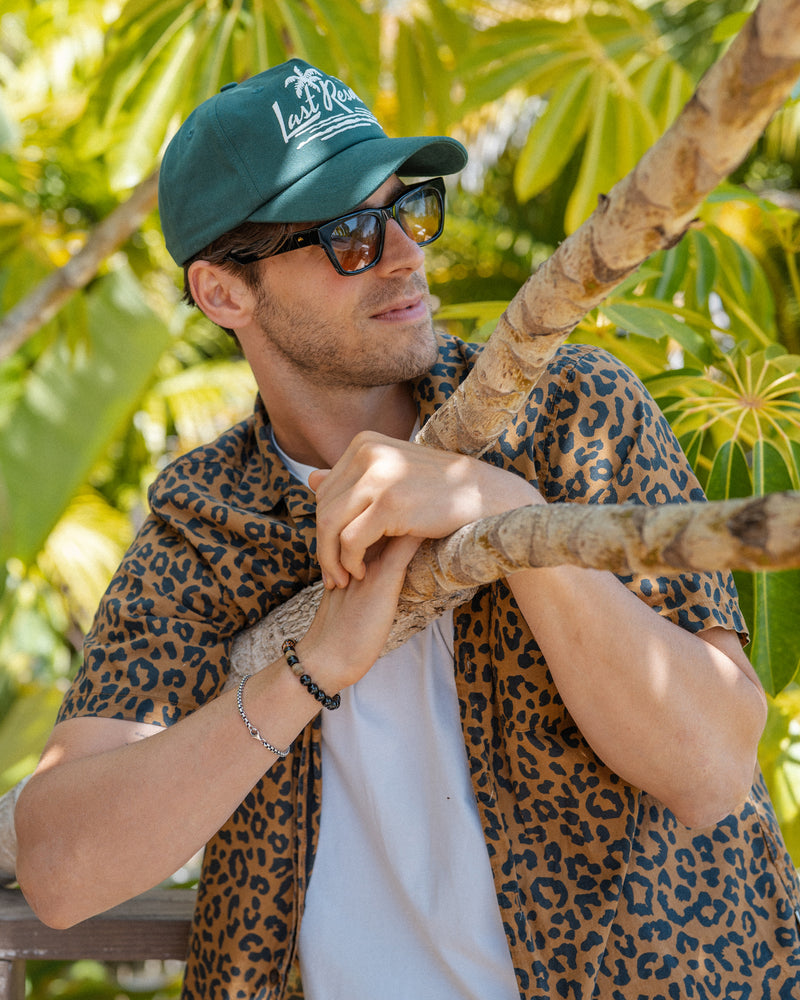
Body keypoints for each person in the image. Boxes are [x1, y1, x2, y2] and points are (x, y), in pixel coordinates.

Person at [14, 60, 800, 999]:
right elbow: (61, 872)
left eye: (411, 208)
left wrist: (510, 518)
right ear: (225, 292)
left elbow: (711, 771)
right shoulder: (207, 525)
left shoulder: (569, 415)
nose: (404, 254)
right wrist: (308, 671)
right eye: (348, 233)